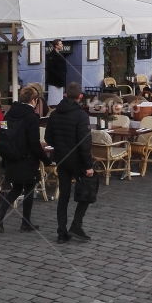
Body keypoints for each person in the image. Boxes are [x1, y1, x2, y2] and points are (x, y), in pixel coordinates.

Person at [0, 85, 49, 232]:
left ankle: (0, 215)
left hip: (11, 156)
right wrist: (46, 159)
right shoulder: (32, 117)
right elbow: (34, 142)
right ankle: (25, 222)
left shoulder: (8, 114)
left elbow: (3, 130)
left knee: (16, 188)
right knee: (29, 189)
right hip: (27, 159)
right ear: (34, 100)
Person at [46, 81, 96, 242]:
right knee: (89, 188)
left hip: (61, 158)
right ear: (80, 96)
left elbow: (48, 138)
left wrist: (60, 146)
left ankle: (61, 232)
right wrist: (88, 165)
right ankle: (76, 224)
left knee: (64, 196)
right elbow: (84, 143)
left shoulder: (54, 114)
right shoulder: (81, 115)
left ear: (66, 95)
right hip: (77, 160)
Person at [45, 39, 67, 108]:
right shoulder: (51, 55)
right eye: (60, 44)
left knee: (59, 102)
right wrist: (59, 79)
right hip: (54, 83)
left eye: (61, 43)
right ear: (56, 46)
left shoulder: (61, 54)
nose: (62, 45)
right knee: (54, 102)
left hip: (60, 83)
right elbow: (50, 69)